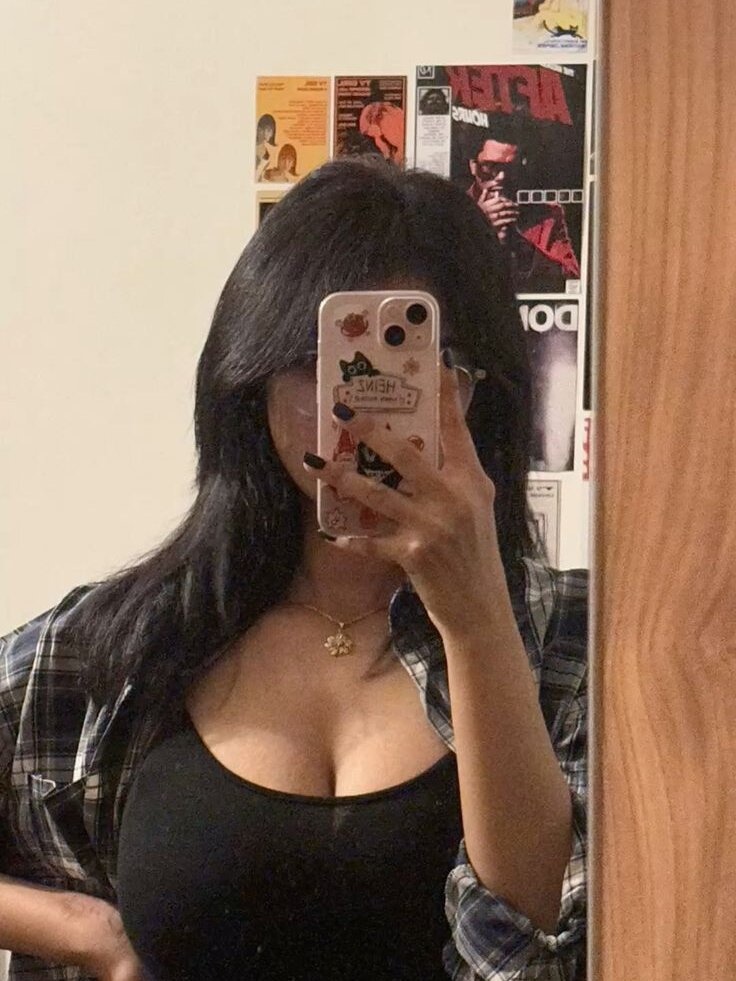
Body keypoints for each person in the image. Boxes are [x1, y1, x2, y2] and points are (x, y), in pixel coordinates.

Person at [0, 157, 587, 981]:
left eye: (410, 367)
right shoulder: (115, 647)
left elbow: (531, 957)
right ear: (253, 377)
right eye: (329, 361)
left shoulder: (577, 645)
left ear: (479, 387)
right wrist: (78, 928)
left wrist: (477, 615)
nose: (358, 407)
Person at [467, 133, 581, 292]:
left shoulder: (547, 215)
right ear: (473, 166)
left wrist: (520, 245)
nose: (501, 177)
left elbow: (571, 280)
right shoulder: (453, 208)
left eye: (510, 168)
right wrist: (479, 229)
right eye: (490, 166)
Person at [255, 113, 278, 181]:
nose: (266, 133)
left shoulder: (266, 155)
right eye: (262, 129)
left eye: (269, 131)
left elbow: (258, 176)